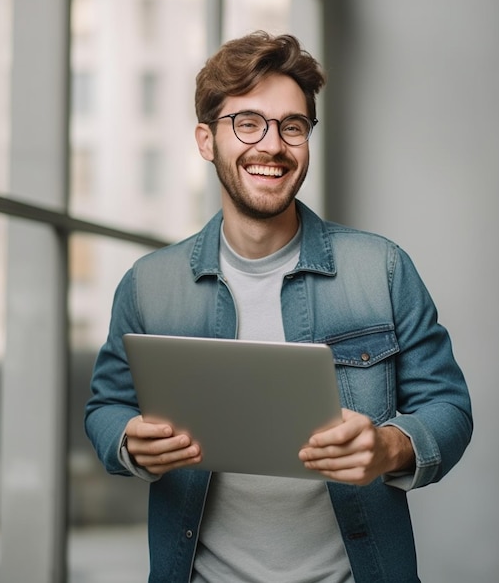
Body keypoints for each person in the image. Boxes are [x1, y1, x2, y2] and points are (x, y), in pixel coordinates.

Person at [85, 31, 473, 583]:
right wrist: (128, 441)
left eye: (292, 126)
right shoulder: (148, 284)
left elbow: (449, 407)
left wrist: (388, 448)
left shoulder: (382, 269)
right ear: (205, 139)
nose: (272, 145)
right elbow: (105, 407)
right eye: (248, 123)